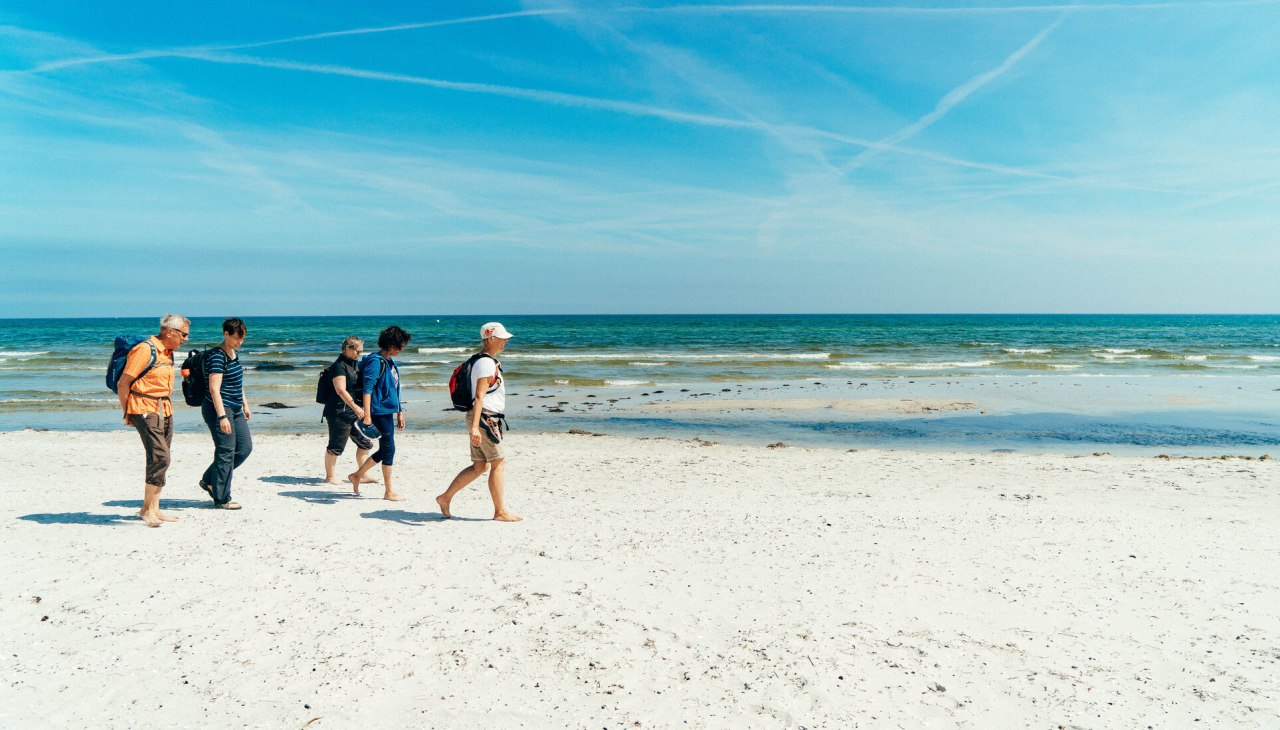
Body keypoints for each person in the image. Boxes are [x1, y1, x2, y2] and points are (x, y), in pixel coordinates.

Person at [437, 322, 522, 522]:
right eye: (502, 338)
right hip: (485, 418)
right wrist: (475, 427)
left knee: (479, 466)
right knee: (498, 462)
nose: (505, 342)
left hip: (481, 417)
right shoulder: (485, 363)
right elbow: (479, 396)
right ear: (491, 339)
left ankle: (445, 497)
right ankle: (500, 511)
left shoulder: (483, 361)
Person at [118, 314, 189, 527]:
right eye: (183, 335)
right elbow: (124, 383)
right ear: (170, 332)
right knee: (161, 457)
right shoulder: (144, 350)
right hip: (144, 408)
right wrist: (127, 412)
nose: (186, 339)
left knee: (157, 458)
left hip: (164, 408)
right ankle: (146, 509)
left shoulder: (168, 353)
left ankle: (154, 509)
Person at [348, 326, 410, 501]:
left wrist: (399, 411)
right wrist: (367, 415)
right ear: (391, 344)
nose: (402, 349)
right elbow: (368, 389)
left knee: (387, 449)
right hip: (377, 411)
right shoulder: (376, 361)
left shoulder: (389, 360)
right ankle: (388, 491)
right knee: (389, 449)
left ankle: (357, 475)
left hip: (387, 410)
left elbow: (395, 388)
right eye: (400, 345)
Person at [198, 318, 253, 510]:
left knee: (244, 448)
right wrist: (222, 416)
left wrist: (245, 404)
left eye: (242, 339)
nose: (240, 342)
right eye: (236, 338)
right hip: (218, 408)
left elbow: (237, 382)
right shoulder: (217, 356)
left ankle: (209, 480)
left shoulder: (233, 353)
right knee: (226, 452)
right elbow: (214, 389)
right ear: (226, 334)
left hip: (236, 407)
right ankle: (222, 498)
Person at [322, 336, 378, 486]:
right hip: (338, 411)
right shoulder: (339, 366)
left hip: (354, 411)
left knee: (364, 442)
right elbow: (340, 390)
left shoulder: (355, 365)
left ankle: (363, 474)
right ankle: (330, 476)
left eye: (361, 352)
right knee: (336, 445)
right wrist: (356, 407)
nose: (359, 354)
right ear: (348, 348)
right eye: (357, 351)